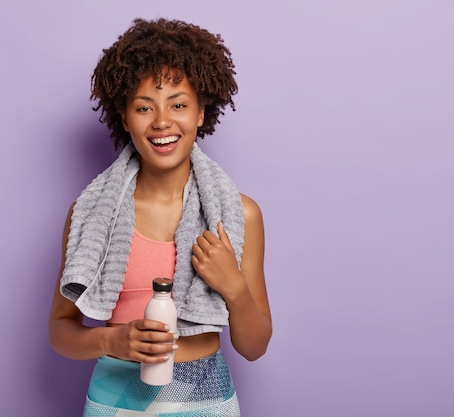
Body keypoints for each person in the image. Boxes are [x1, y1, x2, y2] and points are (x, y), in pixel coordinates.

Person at [49, 17, 272, 416]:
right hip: (112, 403)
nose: (162, 122)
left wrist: (233, 287)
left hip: (204, 402)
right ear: (124, 117)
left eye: (179, 104)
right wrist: (109, 342)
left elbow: (254, 348)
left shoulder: (240, 215)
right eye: (144, 107)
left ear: (202, 113)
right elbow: (59, 332)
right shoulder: (89, 213)